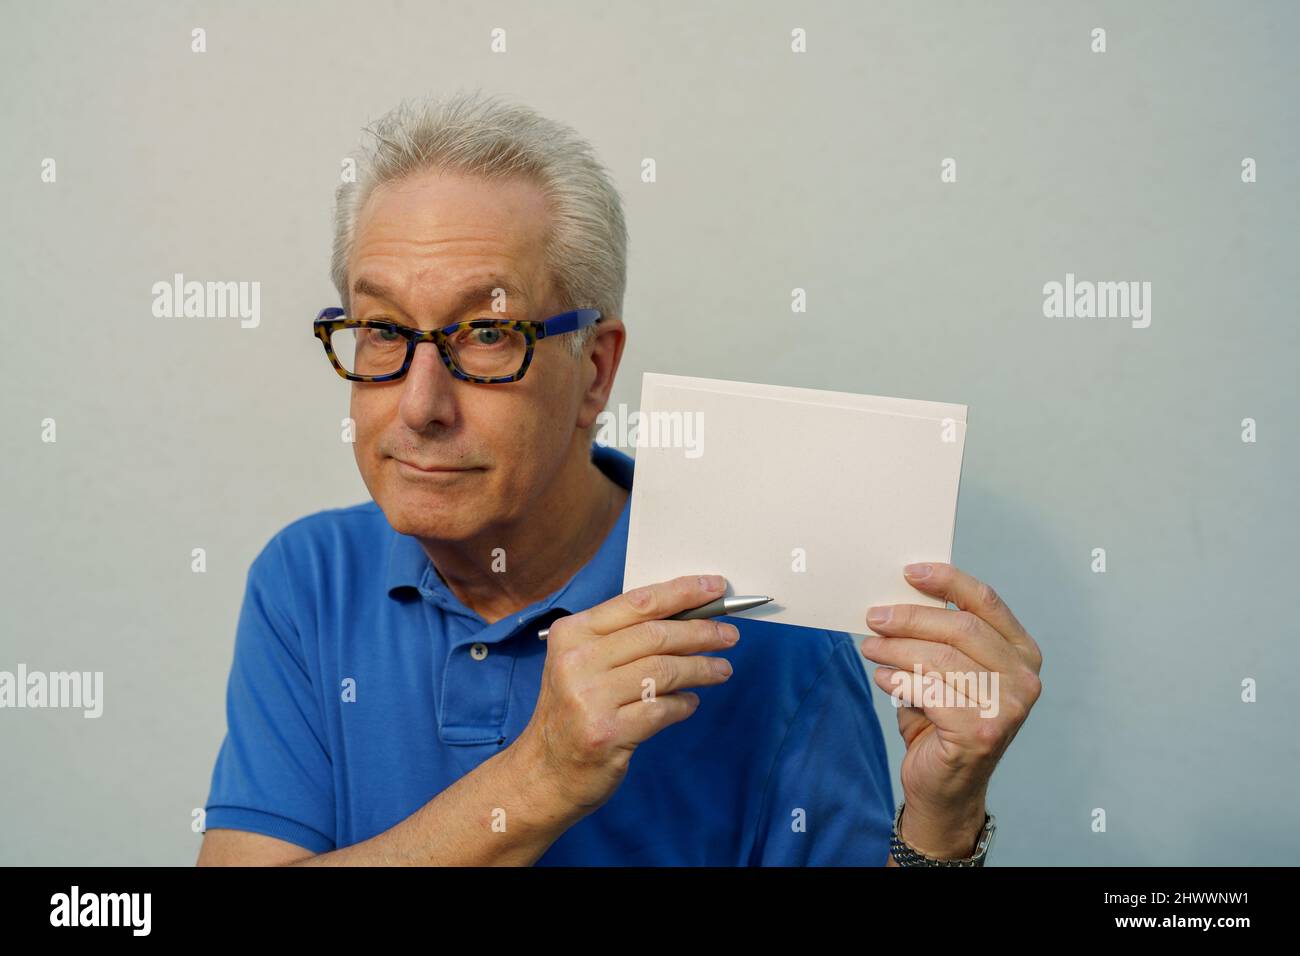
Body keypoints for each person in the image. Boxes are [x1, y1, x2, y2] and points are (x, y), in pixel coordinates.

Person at [197, 89, 1042, 866]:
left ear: (594, 370)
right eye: (382, 328)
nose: (420, 406)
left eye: (487, 335)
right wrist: (544, 775)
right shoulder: (308, 578)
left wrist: (942, 823)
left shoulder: (772, 626)